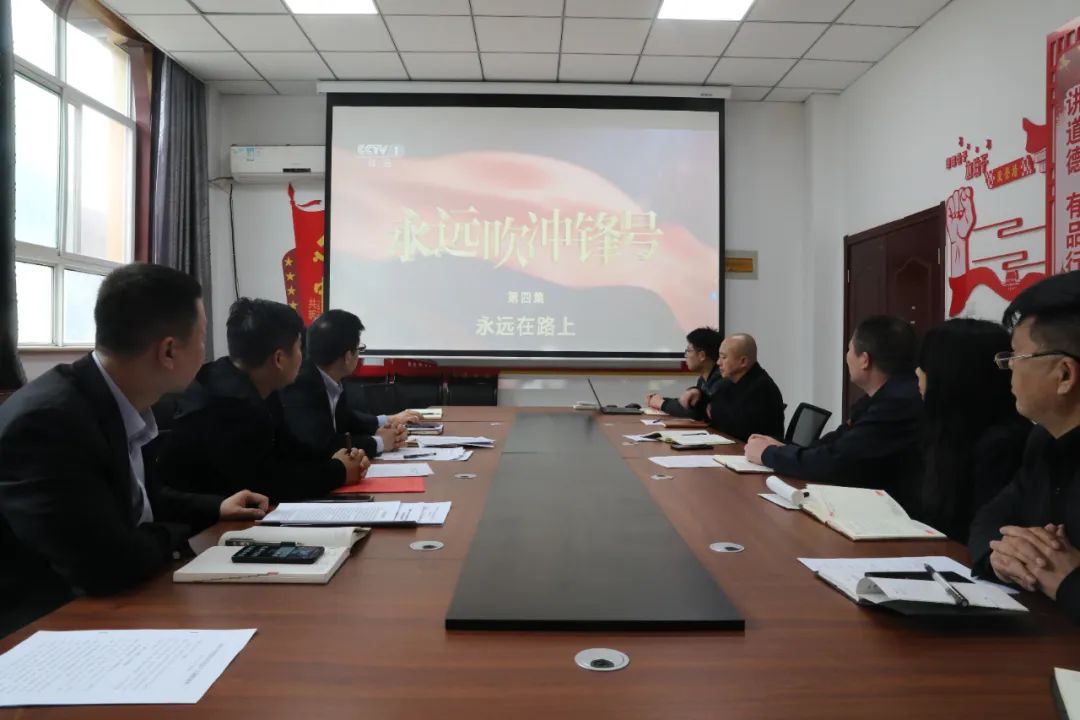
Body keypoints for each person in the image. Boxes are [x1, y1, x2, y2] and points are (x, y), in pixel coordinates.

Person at [0, 264, 269, 637]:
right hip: (42, 628)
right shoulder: (50, 423)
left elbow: (137, 499)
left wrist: (216, 507)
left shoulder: (117, 399)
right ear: (169, 351)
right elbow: (107, 564)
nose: (206, 351)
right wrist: (175, 534)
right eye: (202, 337)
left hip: (110, 603)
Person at [157, 298, 369, 504]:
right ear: (279, 359)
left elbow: (292, 449)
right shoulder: (228, 404)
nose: (303, 357)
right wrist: (338, 471)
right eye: (299, 348)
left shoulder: (259, 384)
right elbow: (269, 483)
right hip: (204, 522)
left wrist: (344, 459)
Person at [969, 270, 1080, 622]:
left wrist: (1069, 582)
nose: (1008, 370)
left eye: (1016, 357)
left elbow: (1062, 578)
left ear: (1065, 374)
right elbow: (991, 518)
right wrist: (1005, 555)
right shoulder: (1044, 439)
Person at [745, 315, 922, 504]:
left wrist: (768, 454)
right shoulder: (881, 398)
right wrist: (783, 449)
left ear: (864, 360)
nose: (847, 356)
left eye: (849, 349)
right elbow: (836, 444)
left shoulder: (897, 403)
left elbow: (835, 462)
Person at [913, 319, 1030, 541]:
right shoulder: (943, 430)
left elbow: (983, 535)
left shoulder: (1003, 444)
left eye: (927, 364)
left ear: (955, 374)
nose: (918, 371)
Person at [281, 309, 418, 458]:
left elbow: (346, 419)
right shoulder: (301, 385)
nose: (359, 355)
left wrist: (385, 426)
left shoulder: (330, 376)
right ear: (347, 357)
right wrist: (379, 442)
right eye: (359, 349)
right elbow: (322, 445)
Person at [705, 333, 785, 442]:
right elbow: (712, 405)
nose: (718, 362)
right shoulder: (729, 381)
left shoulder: (762, 389)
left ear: (743, 361)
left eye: (724, 357)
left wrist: (714, 411)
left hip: (754, 449)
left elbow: (736, 427)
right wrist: (698, 394)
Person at [645, 327, 723, 419]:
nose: (686, 356)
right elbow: (689, 403)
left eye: (688, 351)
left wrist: (661, 403)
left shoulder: (720, 381)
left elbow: (695, 413)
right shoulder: (703, 379)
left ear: (702, 355)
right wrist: (662, 400)